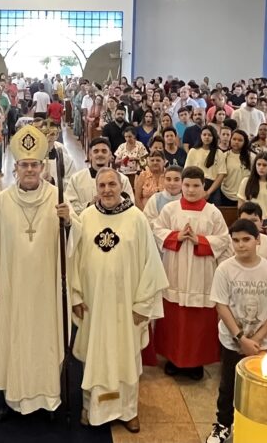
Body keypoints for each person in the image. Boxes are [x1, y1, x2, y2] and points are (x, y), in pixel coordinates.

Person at [0, 125, 74, 421]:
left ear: (43, 167)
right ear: (15, 168)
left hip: (47, 291)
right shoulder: (2, 201)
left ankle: (49, 398)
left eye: (35, 164)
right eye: (24, 165)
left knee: (46, 340)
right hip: (13, 287)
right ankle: (13, 399)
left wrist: (69, 223)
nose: (30, 169)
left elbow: (75, 242)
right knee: (15, 339)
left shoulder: (57, 199)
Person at [70, 168, 168, 433]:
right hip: (93, 304)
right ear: (96, 189)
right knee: (94, 356)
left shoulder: (136, 218)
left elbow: (151, 264)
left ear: (120, 185)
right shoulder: (87, 217)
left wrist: (142, 304)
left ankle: (128, 411)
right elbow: (74, 261)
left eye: (111, 184)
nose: (107, 190)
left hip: (126, 306)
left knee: (125, 358)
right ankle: (91, 408)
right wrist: (76, 295)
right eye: (101, 185)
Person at [206, 219, 267, 443]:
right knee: (228, 385)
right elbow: (221, 305)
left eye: (246, 239)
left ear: (258, 240)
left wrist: (258, 338)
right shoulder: (225, 269)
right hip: (233, 339)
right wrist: (240, 337)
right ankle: (223, 425)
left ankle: (258, 428)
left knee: (261, 387)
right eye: (236, 240)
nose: (241, 245)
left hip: (262, 341)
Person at [152, 166, 231, 380]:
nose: (191, 189)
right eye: (187, 185)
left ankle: (196, 362)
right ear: (181, 185)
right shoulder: (170, 209)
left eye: (196, 185)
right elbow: (157, 230)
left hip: (201, 272)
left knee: (198, 322)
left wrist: (201, 241)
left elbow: (224, 239)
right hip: (175, 270)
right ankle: (173, 359)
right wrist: (176, 237)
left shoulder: (213, 212)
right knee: (174, 319)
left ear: (203, 186)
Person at [66, 137, 134, 214]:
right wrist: (90, 204)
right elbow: (69, 207)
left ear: (110, 155)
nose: (100, 154)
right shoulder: (76, 179)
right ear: (90, 155)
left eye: (104, 151)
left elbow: (130, 205)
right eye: (96, 151)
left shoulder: (122, 179)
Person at [238, 152, 267, 232]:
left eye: (264, 165)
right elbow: (241, 203)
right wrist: (243, 221)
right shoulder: (246, 181)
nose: (261, 168)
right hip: (250, 220)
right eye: (259, 164)